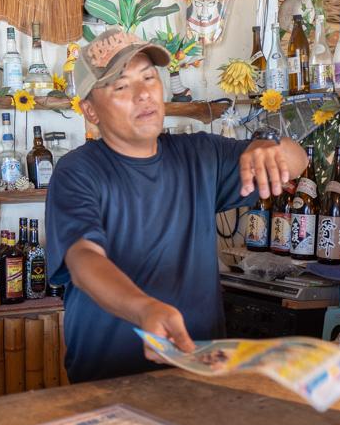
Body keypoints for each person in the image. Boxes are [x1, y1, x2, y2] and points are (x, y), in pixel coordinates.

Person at [45, 28, 307, 383]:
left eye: (149, 77)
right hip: (109, 376)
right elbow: (83, 259)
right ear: (90, 110)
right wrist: (144, 309)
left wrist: (268, 143)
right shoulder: (78, 171)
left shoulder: (200, 154)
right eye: (121, 86)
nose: (143, 94)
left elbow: (296, 161)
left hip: (197, 370)